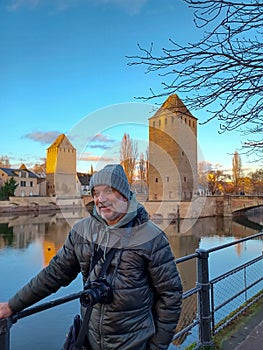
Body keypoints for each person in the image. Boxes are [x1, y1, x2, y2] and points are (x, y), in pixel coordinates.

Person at [0, 164, 183, 350]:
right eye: (95, 193)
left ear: (125, 194)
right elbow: (54, 274)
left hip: (134, 344)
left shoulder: (151, 238)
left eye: (109, 191)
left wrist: (157, 347)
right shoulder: (82, 232)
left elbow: (171, 295)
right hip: (89, 342)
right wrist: (13, 305)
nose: (100, 199)